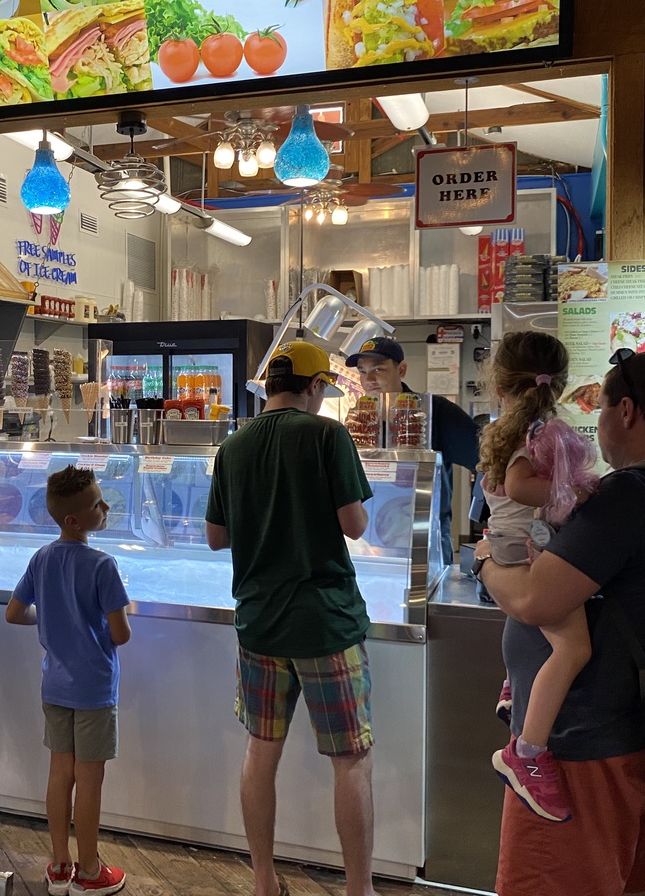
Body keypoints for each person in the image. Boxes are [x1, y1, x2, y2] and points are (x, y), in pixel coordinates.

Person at [477, 350, 645, 896]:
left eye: (600, 410)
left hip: (579, 749)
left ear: (625, 412)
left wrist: (483, 561)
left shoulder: (628, 497)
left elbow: (534, 601)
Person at [205, 339, 378, 896]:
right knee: (350, 760)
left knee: (261, 752)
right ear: (313, 386)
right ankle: (358, 889)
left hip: (258, 624)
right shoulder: (328, 435)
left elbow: (216, 537)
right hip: (325, 622)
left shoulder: (232, 446)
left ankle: (263, 881)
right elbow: (354, 525)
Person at [476, 332, 600, 823]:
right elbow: (517, 485)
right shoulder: (538, 431)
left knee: (549, 630)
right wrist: (575, 491)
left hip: (510, 541)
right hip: (522, 546)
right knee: (574, 648)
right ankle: (526, 754)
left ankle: (514, 685)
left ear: (499, 385)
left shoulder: (510, 428)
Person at [6, 466, 132, 896]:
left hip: (55, 686)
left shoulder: (41, 558)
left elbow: (14, 612)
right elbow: (120, 634)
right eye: (98, 504)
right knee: (90, 779)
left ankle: (59, 864)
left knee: (60, 773)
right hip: (95, 688)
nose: (107, 507)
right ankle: (90, 870)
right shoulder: (103, 565)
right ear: (75, 520)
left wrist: (54, 621)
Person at [344, 337, 480, 569]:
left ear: (402, 369)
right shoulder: (358, 419)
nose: (369, 380)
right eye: (363, 372)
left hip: (426, 539)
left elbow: (484, 460)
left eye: (378, 369)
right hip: (369, 540)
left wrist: (483, 514)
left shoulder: (434, 412)